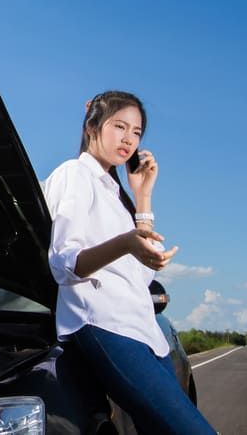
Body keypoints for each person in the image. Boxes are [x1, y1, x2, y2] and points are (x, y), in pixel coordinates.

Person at [43, 91, 215, 435]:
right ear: (92, 125)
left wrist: (143, 196)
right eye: (119, 126)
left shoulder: (112, 191)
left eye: (136, 132)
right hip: (103, 324)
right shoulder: (74, 174)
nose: (128, 139)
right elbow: (63, 264)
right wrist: (124, 244)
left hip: (143, 329)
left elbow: (140, 273)